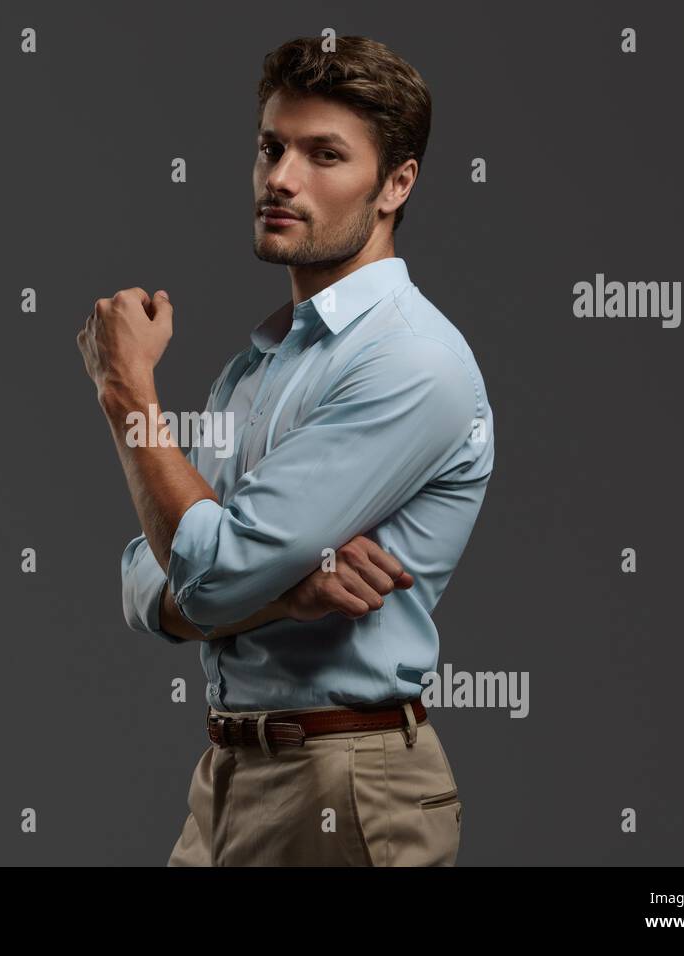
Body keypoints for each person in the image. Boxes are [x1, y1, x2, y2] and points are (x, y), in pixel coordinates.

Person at [77, 35, 495, 866]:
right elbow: (144, 577)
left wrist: (127, 393)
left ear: (396, 184)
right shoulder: (261, 365)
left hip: (345, 779)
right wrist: (280, 595)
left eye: (324, 155)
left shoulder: (410, 360)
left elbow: (205, 575)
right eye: (272, 147)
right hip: (230, 773)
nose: (281, 177)